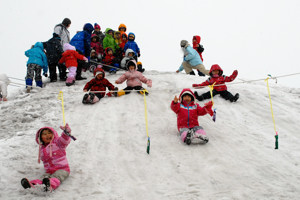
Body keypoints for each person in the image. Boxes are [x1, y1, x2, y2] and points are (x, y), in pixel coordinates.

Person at [20, 124, 73, 191]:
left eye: (49, 133)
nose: (48, 135)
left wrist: (66, 133)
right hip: (49, 171)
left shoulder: (58, 143)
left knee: (56, 177)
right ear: (40, 138)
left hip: (62, 169)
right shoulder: (42, 149)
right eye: (44, 134)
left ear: (54, 134)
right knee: (44, 178)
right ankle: (32, 185)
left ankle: (49, 185)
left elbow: (64, 140)